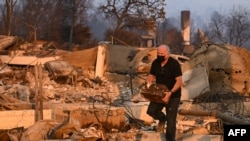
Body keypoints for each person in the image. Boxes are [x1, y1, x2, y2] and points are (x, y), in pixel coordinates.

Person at [146, 44, 182, 141]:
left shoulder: (174, 64)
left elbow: (179, 81)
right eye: (158, 53)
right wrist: (149, 81)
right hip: (159, 94)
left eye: (162, 53)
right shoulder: (155, 63)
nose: (159, 55)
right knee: (151, 111)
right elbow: (151, 75)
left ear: (168, 53)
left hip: (173, 95)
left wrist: (170, 93)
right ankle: (162, 119)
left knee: (171, 123)